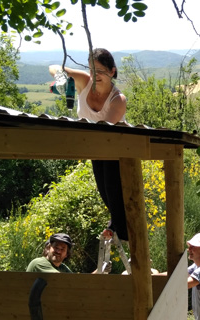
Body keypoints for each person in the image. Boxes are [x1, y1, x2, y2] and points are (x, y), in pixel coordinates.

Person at [49, 48, 128, 241]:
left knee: (116, 198)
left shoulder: (118, 100)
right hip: (95, 150)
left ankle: (129, 239)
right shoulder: (84, 81)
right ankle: (118, 230)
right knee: (107, 197)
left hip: (115, 152)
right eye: (92, 70)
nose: (96, 75)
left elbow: (104, 133)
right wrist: (61, 78)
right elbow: (53, 67)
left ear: (112, 71)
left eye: (101, 71)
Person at [26, 233, 109, 274]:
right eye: (56, 247)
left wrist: (100, 270)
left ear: (66, 254)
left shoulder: (63, 268)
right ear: (48, 248)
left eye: (62, 249)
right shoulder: (39, 263)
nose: (58, 251)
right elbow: (64, 281)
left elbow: (78, 284)